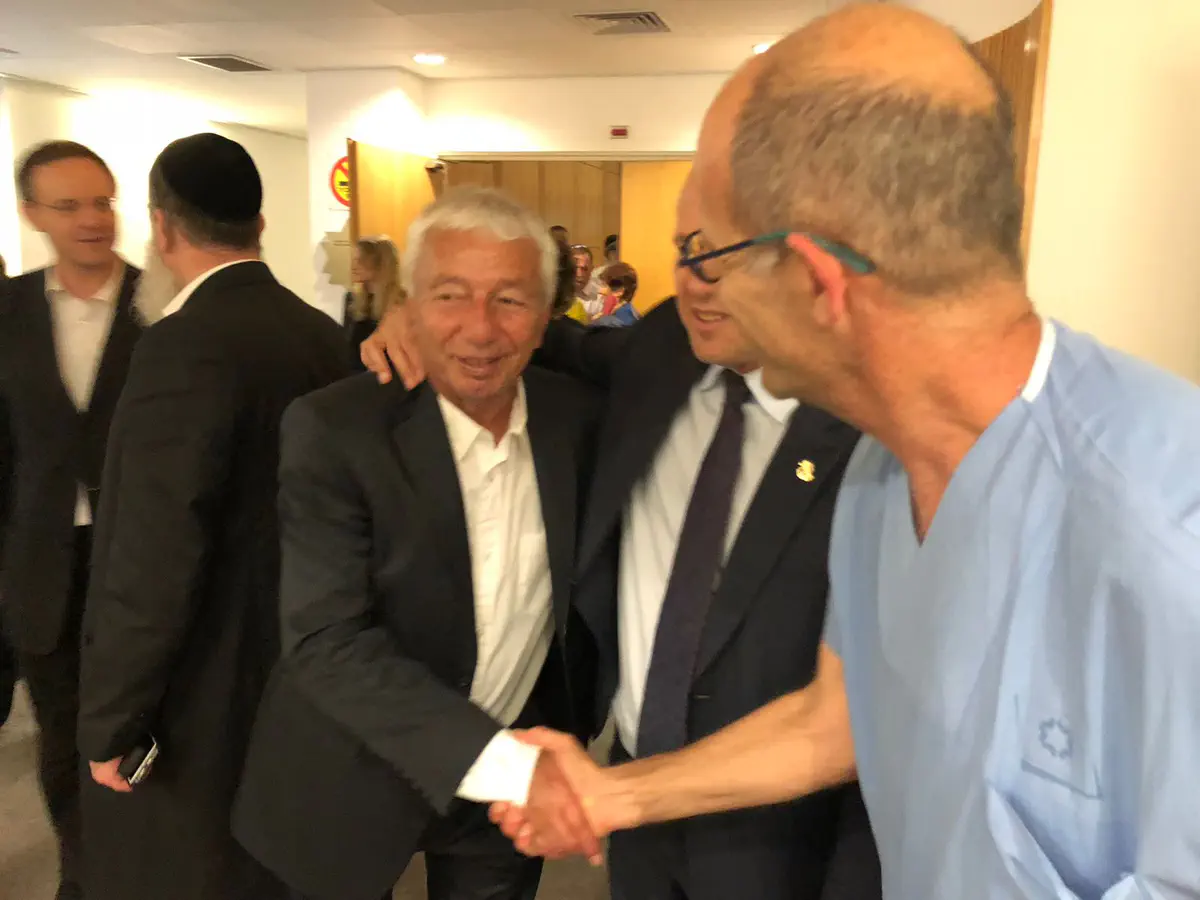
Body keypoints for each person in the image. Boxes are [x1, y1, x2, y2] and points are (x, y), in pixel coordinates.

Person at [485, 5, 1200, 897]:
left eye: (710, 252)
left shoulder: (1168, 526)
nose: (696, 289)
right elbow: (839, 718)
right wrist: (615, 794)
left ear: (819, 282)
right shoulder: (878, 473)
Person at [360, 175, 879, 900]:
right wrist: (418, 313)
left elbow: (854, 713)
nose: (694, 280)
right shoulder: (667, 347)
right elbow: (541, 337)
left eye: (724, 255)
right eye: (684, 249)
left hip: (786, 825)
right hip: (633, 792)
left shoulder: (869, 421)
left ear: (805, 263)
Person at [233, 187, 602, 900]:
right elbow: (327, 640)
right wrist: (505, 764)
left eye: (510, 300)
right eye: (449, 296)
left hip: (507, 778)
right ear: (409, 303)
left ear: (545, 317)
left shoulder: (579, 420)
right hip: (355, 767)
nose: (479, 328)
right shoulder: (335, 430)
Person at [76, 132, 349, 900]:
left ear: (161, 228)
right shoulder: (323, 336)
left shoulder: (181, 346)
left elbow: (154, 556)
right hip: (312, 672)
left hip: (206, 694)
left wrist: (112, 719)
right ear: (259, 224)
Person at [0, 140, 141, 900]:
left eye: (102, 202)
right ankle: (82, 878)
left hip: (141, 564)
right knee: (62, 739)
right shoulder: (8, 311)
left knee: (143, 733)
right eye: (69, 205)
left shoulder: (164, 304)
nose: (93, 219)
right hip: (42, 567)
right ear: (32, 214)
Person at [345, 235, 403, 370]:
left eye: (360, 260)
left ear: (380, 264)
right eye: (354, 260)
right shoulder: (352, 300)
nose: (353, 266)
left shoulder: (401, 303)